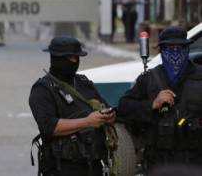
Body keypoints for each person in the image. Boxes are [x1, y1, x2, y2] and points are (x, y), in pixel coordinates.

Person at [118, 26, 202, 171]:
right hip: (158, 162)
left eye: (180, 47)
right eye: (170, 48)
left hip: (195, 162)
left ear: (187, 49)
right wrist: (152, 105)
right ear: (161, 51)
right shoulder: (149, 79)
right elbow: (124, 108)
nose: (175, 53)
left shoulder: (200, 76)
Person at [29, 36, 116, 176]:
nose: (75, 62)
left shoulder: (83, 83)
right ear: (56, 58)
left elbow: (103, 106)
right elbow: (48, 126)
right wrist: (87, 122)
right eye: (71, 58)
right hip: (62, 167)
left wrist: (109, 116)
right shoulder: (43, 89)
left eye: (77, 57)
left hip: (93, 165)